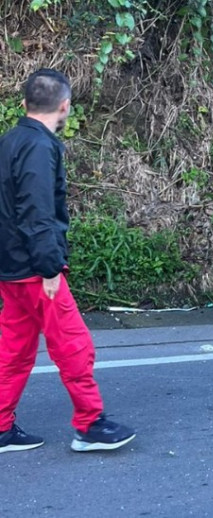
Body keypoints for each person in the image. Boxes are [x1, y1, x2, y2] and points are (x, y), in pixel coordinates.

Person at [0, 68, 136, 453]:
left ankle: (2, 427)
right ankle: (90, 424)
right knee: (74, 345)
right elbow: (37, 210)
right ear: (65, 106)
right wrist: (48, 267)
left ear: (25, 104)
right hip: (34, 268)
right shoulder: (41, 147)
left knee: (15, 349)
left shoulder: (8, 141)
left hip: (10, 267)